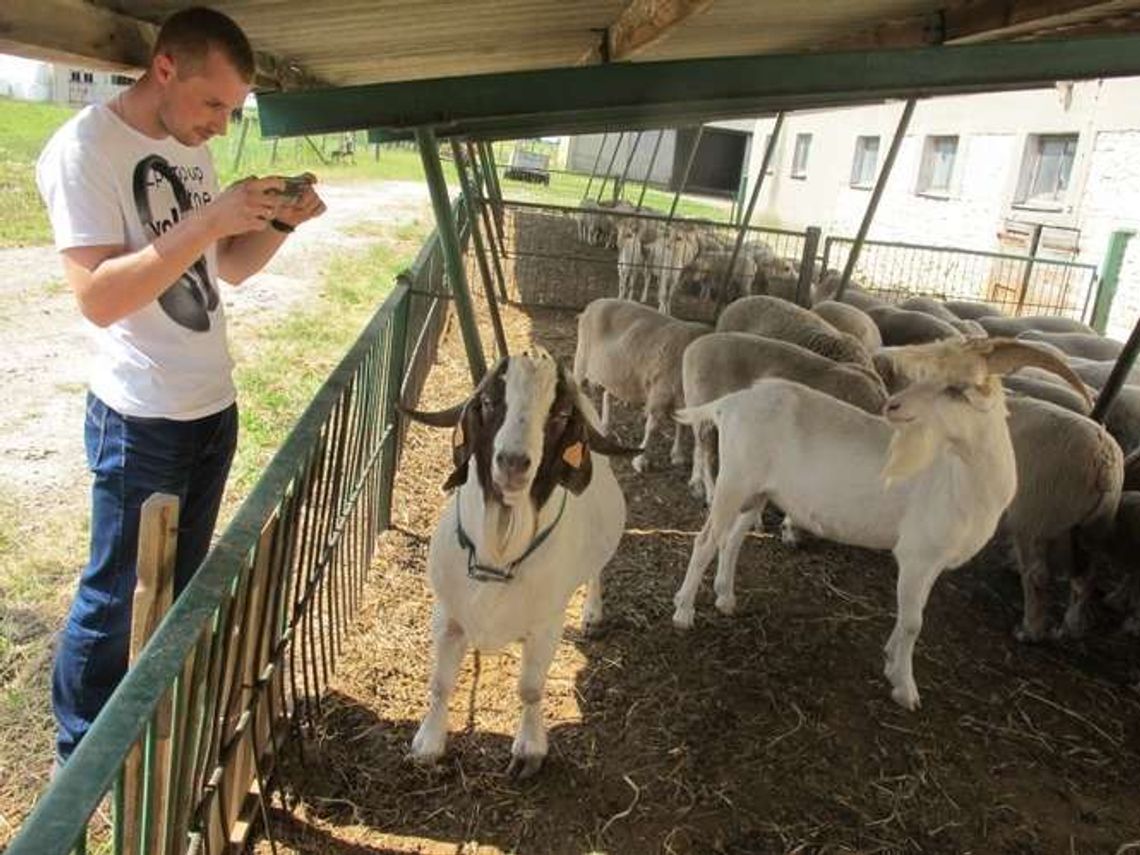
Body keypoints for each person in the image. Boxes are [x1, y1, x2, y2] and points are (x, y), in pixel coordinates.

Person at [35, 5, 326, 766]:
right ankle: (80, 763)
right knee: (114, 598)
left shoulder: (187, 145)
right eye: (213, 104)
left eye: (232, 111)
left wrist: (279, 222)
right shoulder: (85, 148)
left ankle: (150, 729)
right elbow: (98, 298)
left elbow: (225, 270)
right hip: (141, 415)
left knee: (178, 586)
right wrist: (208, 221)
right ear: (164, 68)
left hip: (209, 404)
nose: (220, 127)